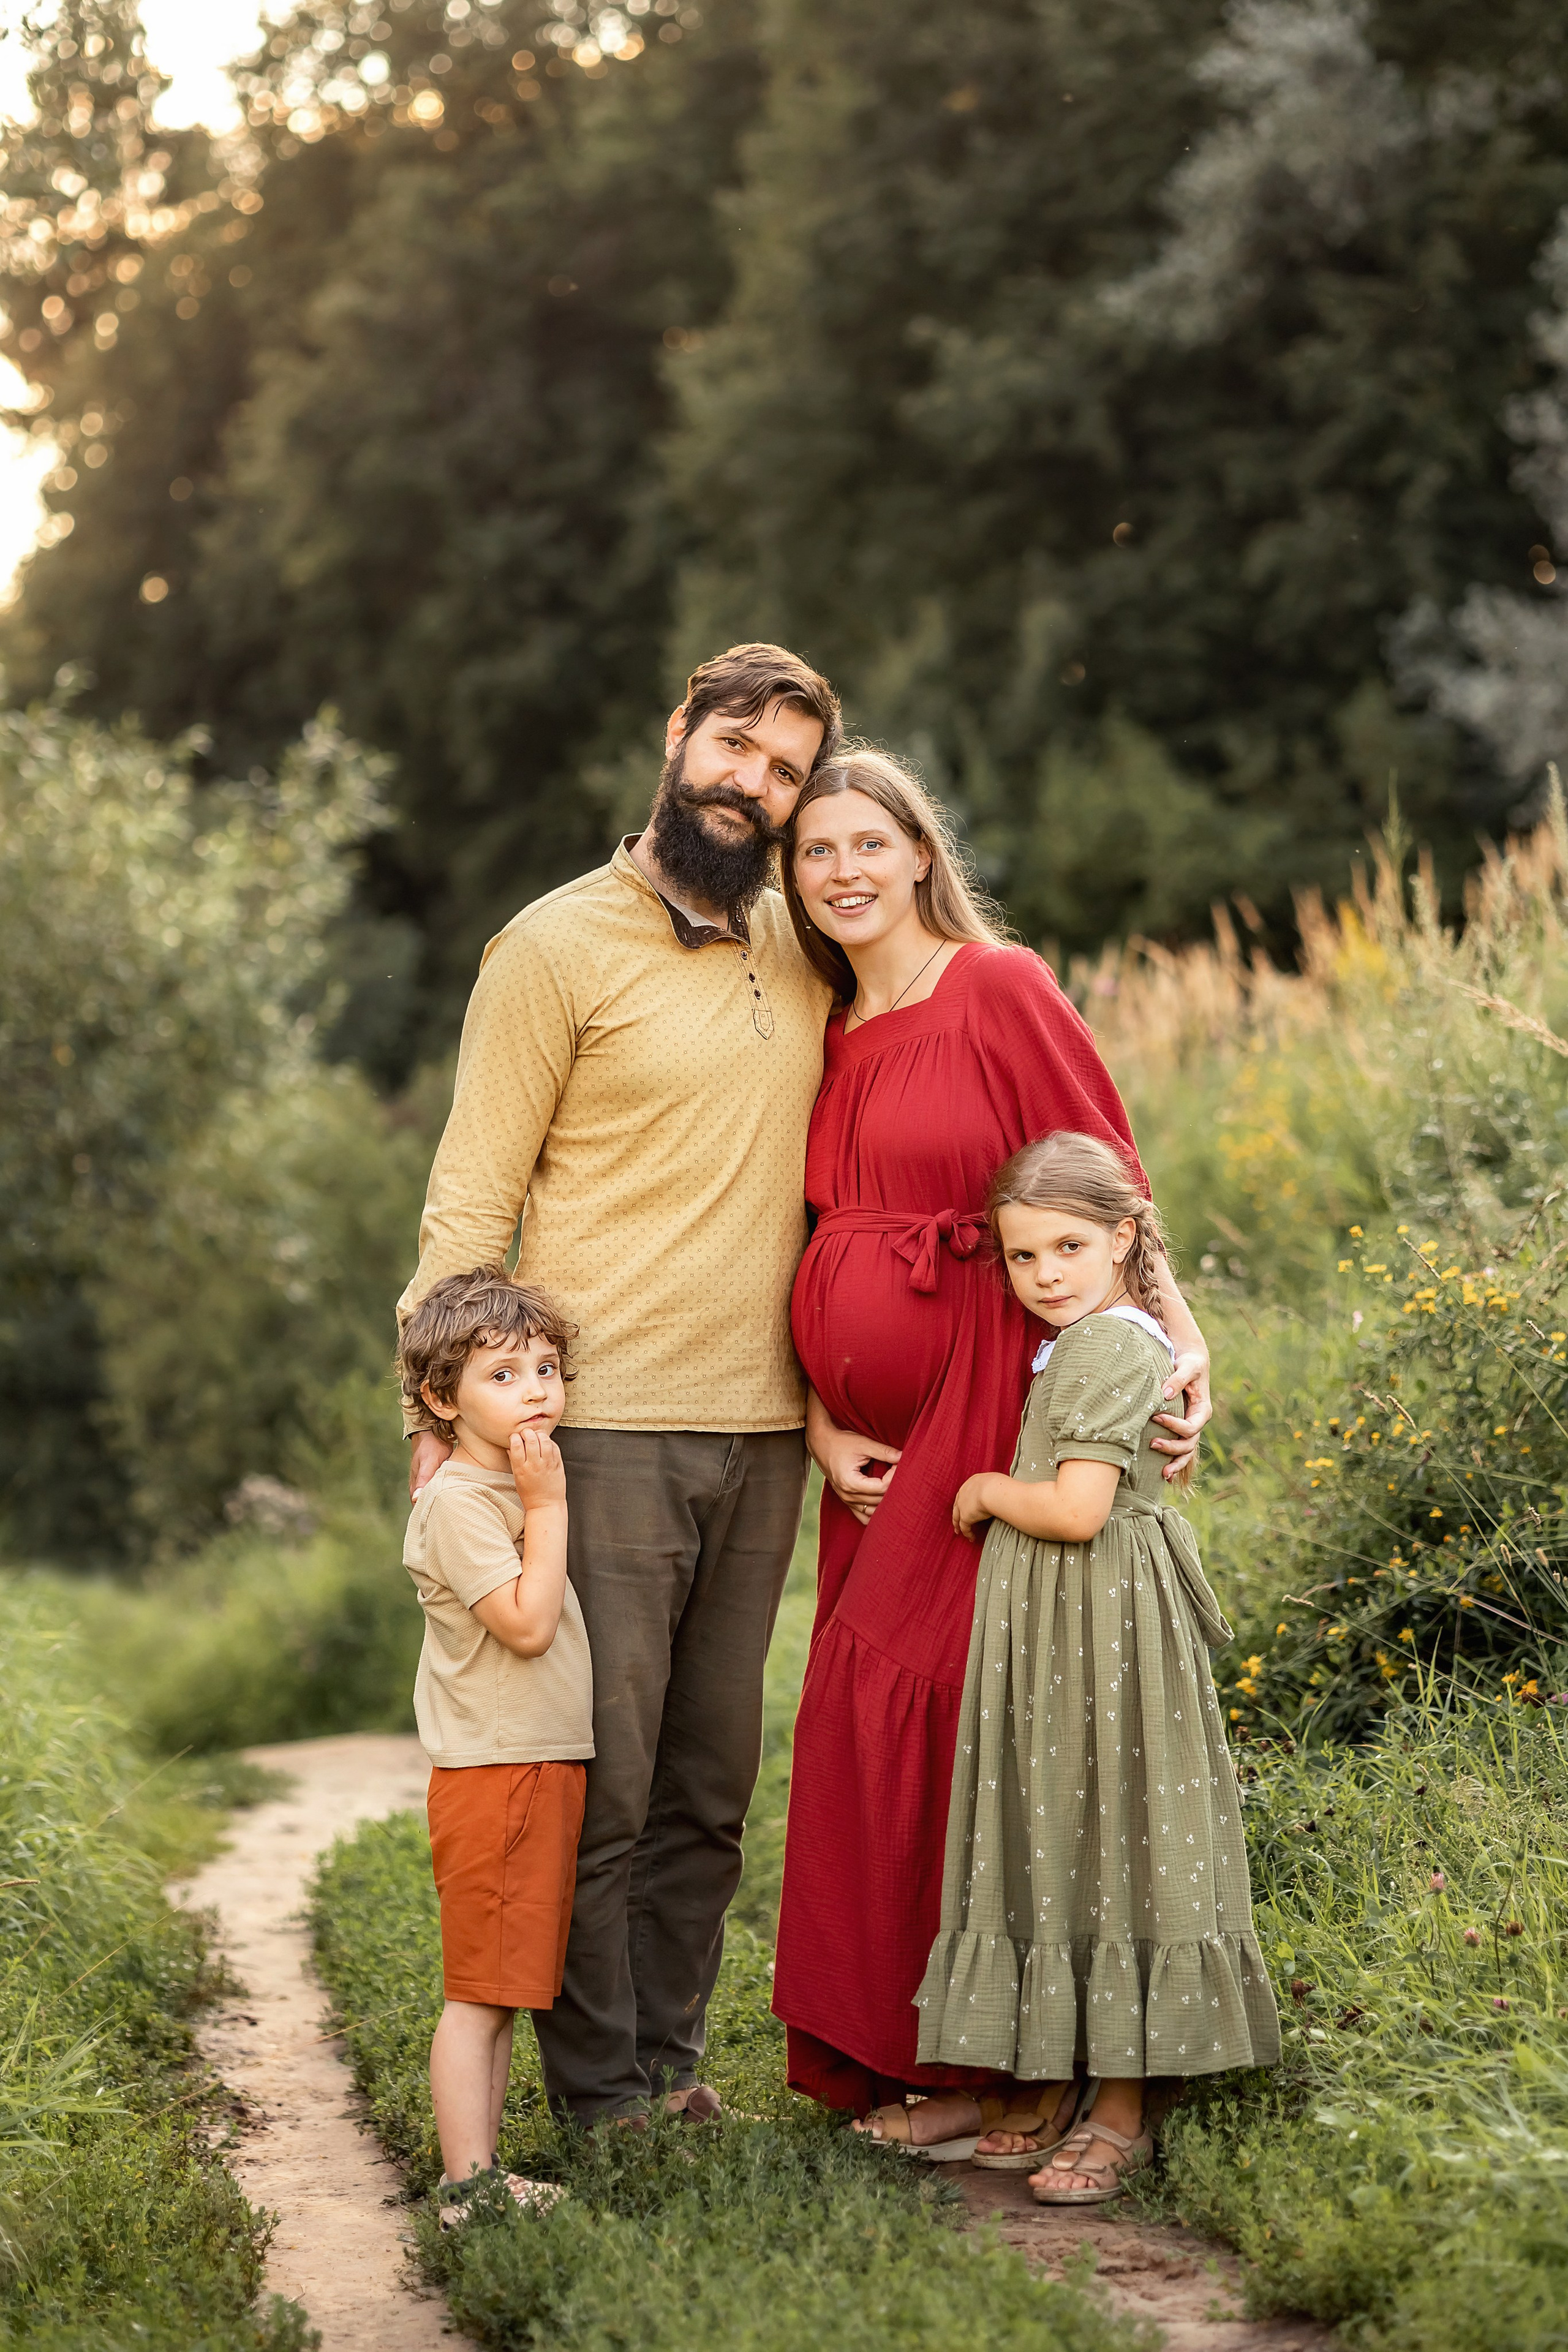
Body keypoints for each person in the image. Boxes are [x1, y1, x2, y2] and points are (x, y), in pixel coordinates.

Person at [398, 644, 841, 2125]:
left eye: (783, 769)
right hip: (595, 1431)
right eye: (735, 748)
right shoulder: (551, 946)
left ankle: (669, 2063)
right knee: (612, 1776)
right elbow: (470, 1206)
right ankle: (598, 2096)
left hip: (767, 1429)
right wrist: (436, 1424)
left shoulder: (804, 942)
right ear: (679, 737)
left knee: (711, 1787)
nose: (753, 784)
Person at [772, 745, 1213, 2152]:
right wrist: (822, 1418)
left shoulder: (996, 989)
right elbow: (808, 1246)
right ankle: (938, 2061)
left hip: (991, 1390)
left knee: (978, 1715)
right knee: (863, 1717)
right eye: (812, 851)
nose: (839, 871)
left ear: (917, 851)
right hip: (866, 1443)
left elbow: (1107, 1175)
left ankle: (1039, 2070)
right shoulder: (824, 1027)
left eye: (863, 843)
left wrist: (1173, 1348)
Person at [916, 1134, 1280, 2201]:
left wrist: (985, 1491)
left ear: (1127, 1239)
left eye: (1071, 1246)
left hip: (1105, 1622)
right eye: (1025, 1258)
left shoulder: (1112, 1345)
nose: (1046, 1276)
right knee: (1072, 1828)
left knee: (1120, 1834)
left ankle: (1125, 2104)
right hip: (1075, 1625)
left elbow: (1076, 1510)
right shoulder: (1084, 1338)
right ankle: (1064, 2080)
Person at [397, 1265, 591, 2222]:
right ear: (442, 1398)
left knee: (501, 1987)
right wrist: (547, 1512)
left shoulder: (499, 1486)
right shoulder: (465, 1505)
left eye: (547, 1369)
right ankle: (468, 2184)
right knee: (480, 1994)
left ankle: (481, 2170)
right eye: (504, 1375)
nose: (536, 1392)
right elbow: (524, 1624)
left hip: (531, 1762)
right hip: (500, 1770)